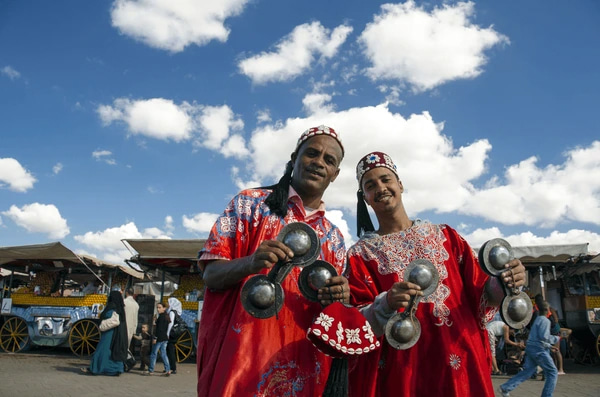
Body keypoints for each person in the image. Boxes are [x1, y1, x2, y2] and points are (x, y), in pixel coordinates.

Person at [345, 151, 527, 397]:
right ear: (365, 198)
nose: (380, 187)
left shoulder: (446, 236)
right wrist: (385, 303)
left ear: (400, 184)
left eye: (386, 179)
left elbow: (482, 292)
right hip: (402, 369)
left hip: (460, 357)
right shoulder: (360, 255)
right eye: (370, 185)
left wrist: (505, 281)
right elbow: (356, 320)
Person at [196, 125, 349, 396]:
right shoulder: (249, 205)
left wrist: (339, 298)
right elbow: (210, 275)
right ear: (294, 158)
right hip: (242, 367)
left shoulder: (334, 239)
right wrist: (250, 263)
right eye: (312, 153)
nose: (319, 163)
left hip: (306, 372)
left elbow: (332, 318)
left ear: (335, 174)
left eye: (329, 160)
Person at [499, 301, 559, 397]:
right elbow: (544, 337)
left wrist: (549, 346)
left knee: (528, 371)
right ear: (548, 311)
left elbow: (537, 337)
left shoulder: (538, 319)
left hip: (531, 348)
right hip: (539, 350)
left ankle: (506, 387)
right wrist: (557, 338)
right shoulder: (545, 321)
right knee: (552, 372)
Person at [81, 290, 128, 376]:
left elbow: (110, 318)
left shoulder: (111, 307)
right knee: (111, 351)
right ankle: (116, 369)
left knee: (102, 350)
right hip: (115, 333)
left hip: (108, 333)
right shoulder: (120, 308)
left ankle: (95, 368)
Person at [144, 302, 171, 376]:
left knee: (153, 354)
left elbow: (159, 329)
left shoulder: (162, 317)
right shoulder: (166, 316)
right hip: (164, 338)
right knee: (164, 354)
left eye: (160, 307)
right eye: (157, 308)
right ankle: (167, 369)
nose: (158, 309)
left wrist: (155, 338)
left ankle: (151, 370)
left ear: (164, 308)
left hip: (159, 338)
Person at [166, 296, 183, 374]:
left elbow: (171, 323)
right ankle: (169, 367)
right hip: (174, 333)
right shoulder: (177, 312)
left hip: (171, 333)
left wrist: (167, 333)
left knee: (170, 350)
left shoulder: (172, 312)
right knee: (169, 350)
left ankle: (173, 368)